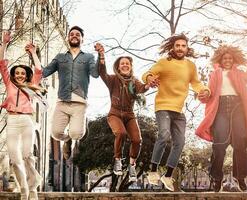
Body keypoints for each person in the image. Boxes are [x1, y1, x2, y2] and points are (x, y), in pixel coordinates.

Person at [142, 33, 210, 191]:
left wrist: (205, 90)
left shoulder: (190, 66)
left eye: (183, 46)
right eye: (177, 45)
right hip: (163, 106)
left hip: (178, 111)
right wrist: (150, 79)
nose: (180, 48)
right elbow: (147, 74)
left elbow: (196, 83)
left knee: (180, 142)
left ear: (187, 48)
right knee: (164, 135)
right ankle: (153, 171)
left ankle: (168, 176)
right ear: (172, 47)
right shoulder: (164, 62)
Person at [195, 45, 247, 192]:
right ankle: (217, 178)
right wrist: (204, 95)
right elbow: (209, 92)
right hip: (220, 108)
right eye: (225, 58)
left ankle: (241, 176)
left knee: (240, 142)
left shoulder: (239, 73)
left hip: (237, 107)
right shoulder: (215, 74)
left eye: (230, 58)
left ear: (234, 60)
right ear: (220, 59)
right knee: (219, 144)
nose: (227, 60)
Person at [94, 43, 150, 182]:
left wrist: (149, 84)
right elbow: (102, 72)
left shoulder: (133, 81)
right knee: (121, 133)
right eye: (122, 63)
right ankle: (118, 160)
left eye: (127, 64)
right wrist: (101, 56)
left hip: (130, 115)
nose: (125, 65)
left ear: (130, 67)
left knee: (137, 140)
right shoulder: (112, 80)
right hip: (115, 114)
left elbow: (141, 88)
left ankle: (132, 165)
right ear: (118, 67)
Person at [41, 26, 99, 159]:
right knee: (55, 133)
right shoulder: (60, 57)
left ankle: (72, 136)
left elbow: (95, 74)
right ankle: (67, 139)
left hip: (79, 103)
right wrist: (33, 54)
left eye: (77, 34)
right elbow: (44, 72)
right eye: (71, 34)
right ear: (68, 38)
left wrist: (101, 56)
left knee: (76, 134)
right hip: (62, 101)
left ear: (82, 39)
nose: (74, 36)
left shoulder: (89, 57)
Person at [0, 31, 44, 200]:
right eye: (17, 73)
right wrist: (4, 43)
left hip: (26, 121)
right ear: (13, 75)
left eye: (22, 73)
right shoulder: (9, 83)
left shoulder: (31, 86)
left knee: (27, 155)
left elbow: (39, 70)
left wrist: (33, 53)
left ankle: (32, 189)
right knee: (14, 157)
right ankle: (24, 188)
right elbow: (2, 63)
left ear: (26, 75)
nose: (19, 75)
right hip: (12, 120)